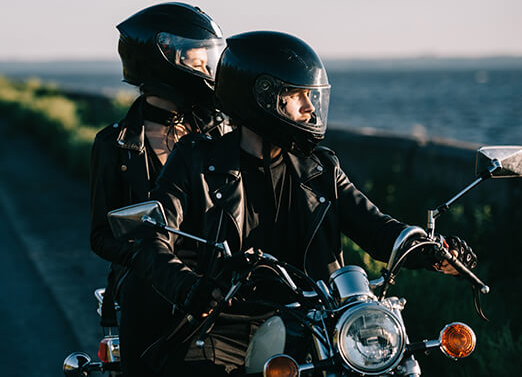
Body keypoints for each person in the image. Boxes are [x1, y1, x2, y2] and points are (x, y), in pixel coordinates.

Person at [130, 31, 478, 375]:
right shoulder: (195, 161)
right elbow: (151, 237)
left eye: (311, 96)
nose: (310, 108)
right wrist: (188, 284)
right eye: (298, 95)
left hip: (317, 325)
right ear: (262, 96)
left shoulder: (321, 169)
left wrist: (430, 250)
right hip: (224, 326)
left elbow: (377, 228)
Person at [89, 2, 229, 377]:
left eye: (208, 61)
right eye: (198, 61)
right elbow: (101, 235)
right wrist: (146, 258)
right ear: (165, 60)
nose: (208, 70)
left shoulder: (220, 135)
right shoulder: (115, 144)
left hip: (216, 280)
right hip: (150, 284)